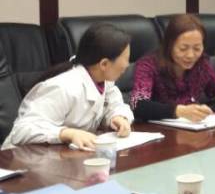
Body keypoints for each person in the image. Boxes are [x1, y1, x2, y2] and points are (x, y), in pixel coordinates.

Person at [3, 23, 133, 150]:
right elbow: (21, 131)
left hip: (62, 155)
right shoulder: (64, 87)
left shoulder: (104, 80)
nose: (127, 65)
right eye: (126, 59)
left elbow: (115, 105)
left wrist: (118, 117)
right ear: (104, 64)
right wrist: (67, 134)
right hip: (20, 157)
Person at [130, 14, 215, 122]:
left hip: (194, 127)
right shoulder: (148, 64)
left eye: (197, 48)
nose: (190, 55)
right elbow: (137, 105)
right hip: (158, 129)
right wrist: (178, 111)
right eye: (183, 48)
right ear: (169, 45)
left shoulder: (202, 63)